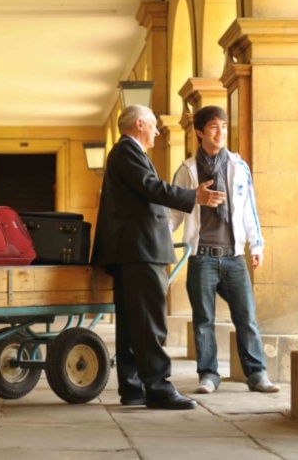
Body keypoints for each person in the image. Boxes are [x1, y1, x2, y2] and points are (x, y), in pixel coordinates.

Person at [91, 104, 226, 410]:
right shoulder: (127, 150)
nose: (156, 132)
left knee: (132, 323)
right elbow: (150, 187)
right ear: (139, 124)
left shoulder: (126, 152)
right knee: (150, 321)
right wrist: (194, 196)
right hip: (140, 249)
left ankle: (134, 387)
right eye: (153, 126)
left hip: (133, 249)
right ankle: (159, 387)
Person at [170, 105, 279, 394]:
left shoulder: (238, 167)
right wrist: (157, 243)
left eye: (224, 126)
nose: (221, 132)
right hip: (201, 257)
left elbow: (249, 210)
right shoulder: (187, 171)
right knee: (204, 320)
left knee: (247, 317)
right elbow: (173, 214)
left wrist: (256, 245)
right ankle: (209, 375)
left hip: (234, 256)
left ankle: (257, 375)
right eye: (215, 127)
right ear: (199, 132)